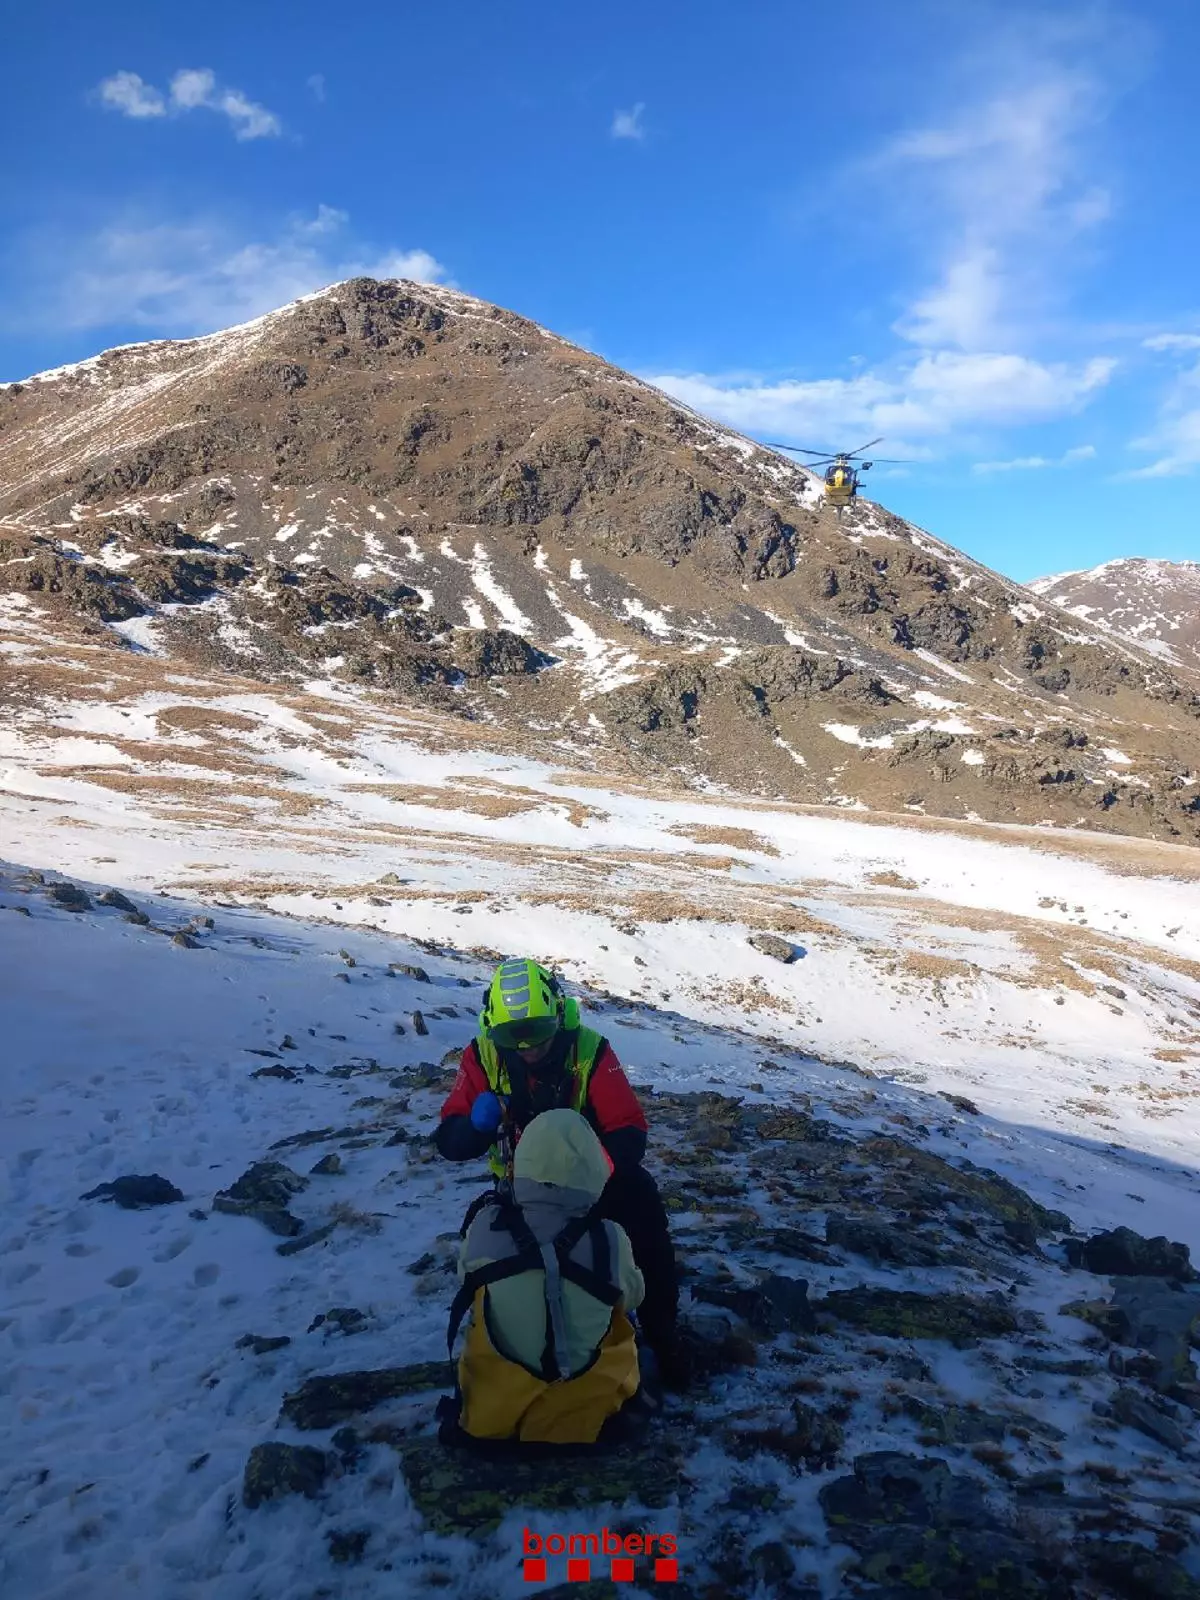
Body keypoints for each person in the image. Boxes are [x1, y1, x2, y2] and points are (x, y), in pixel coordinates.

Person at [436, 957, 690, 1387]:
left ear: (558, 1013)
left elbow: (629, 1133)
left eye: (535, 1032)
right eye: (510, 1036)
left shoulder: (589, 1050)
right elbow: (450, 1142)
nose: (526, 1048)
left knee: (643, 1206)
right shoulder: (481, 1057)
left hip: (595, 1188)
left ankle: (663, 1333)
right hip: (519, 1194)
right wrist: (477, 1127)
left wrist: (591, 1177)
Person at [445, 1109, 645, 1445]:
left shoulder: (486, 1224)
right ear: (593, 1164)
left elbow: (465, 1276)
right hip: (589, 1412)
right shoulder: (609, 1238)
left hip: (494, 1412)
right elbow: (633, 1297)